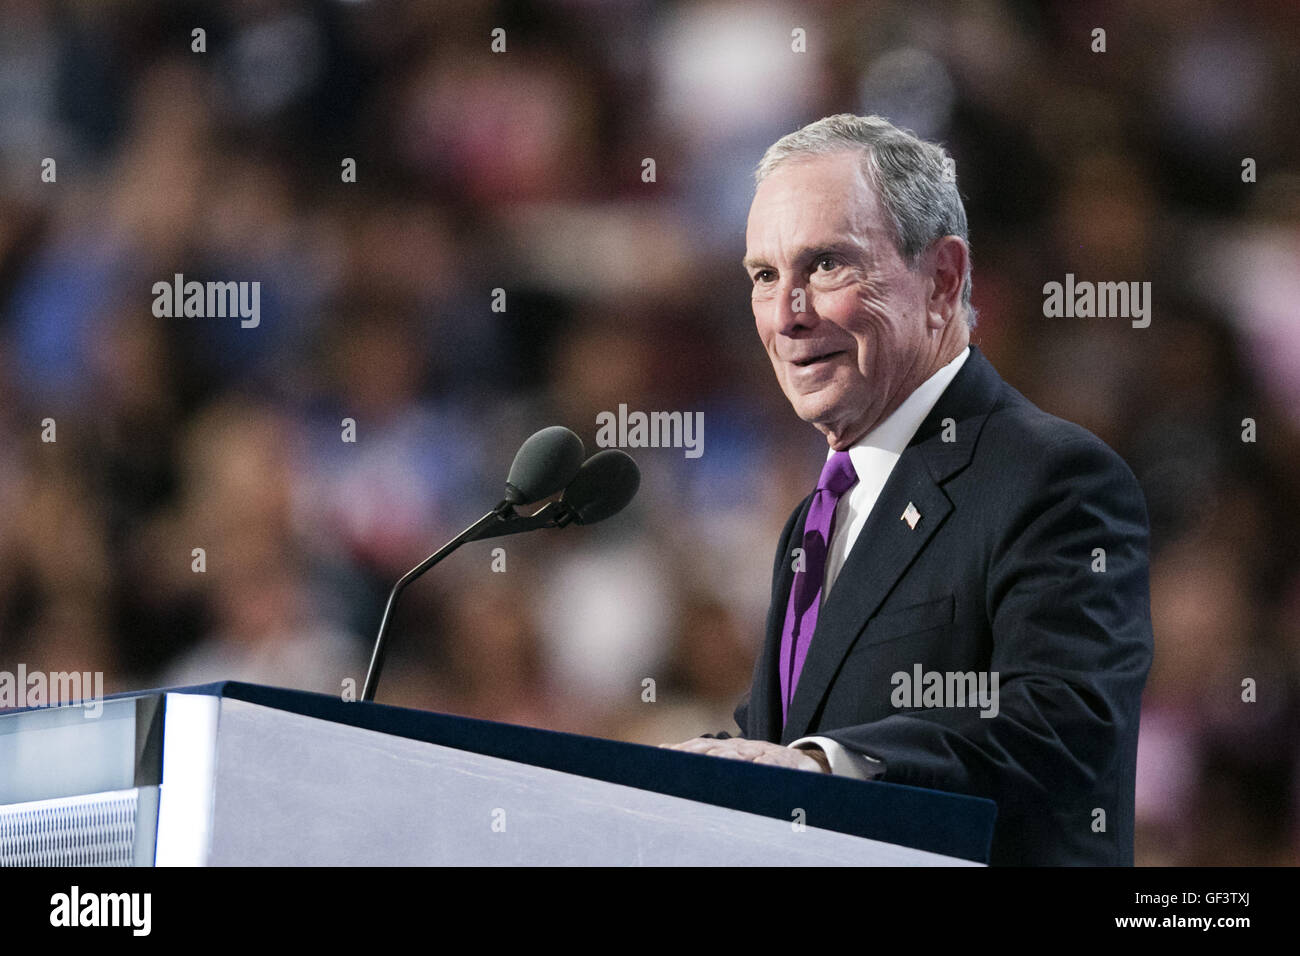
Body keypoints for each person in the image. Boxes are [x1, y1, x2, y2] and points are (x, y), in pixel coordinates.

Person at [669, 114, 1153, 866]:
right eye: (764, 276)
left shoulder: (1052, 477)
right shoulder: (815, 518)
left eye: (826, 265)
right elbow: (790, 743)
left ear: (943, 280)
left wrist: (831, 767)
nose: (787, 316)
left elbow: (1065, 719)